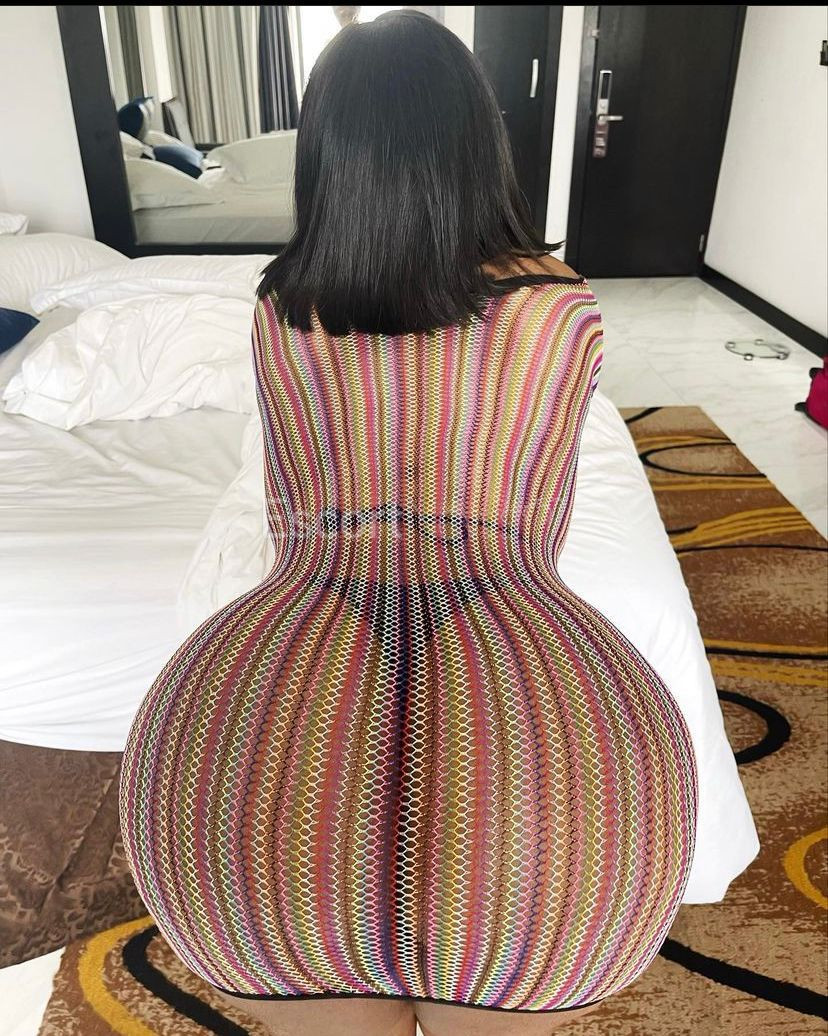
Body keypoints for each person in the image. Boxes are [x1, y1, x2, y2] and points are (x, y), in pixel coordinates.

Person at [118, 11, 698, 1036]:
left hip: (266, 713)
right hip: (532, 741)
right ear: (477, 138)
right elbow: (543, 515)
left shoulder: (280, 307)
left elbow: (288, 508)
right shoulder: (561, 306)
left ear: (325, 154)